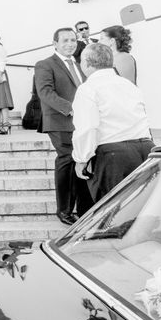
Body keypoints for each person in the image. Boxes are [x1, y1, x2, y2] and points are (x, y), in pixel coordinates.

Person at [72, 43, 153, 202]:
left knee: (114, 212)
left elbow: (87, 127)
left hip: (115, 156)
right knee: (143, 207)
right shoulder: (129, 85)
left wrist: (81, 159)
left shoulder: (88, 88)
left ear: (87, 63)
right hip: (146, 149)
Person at [35, 27, 93, 226]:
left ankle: (83, 208)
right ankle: (64, 210)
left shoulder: (79, 64)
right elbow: (45, 92)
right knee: (67, 160)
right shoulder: (45, 64)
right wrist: (72, 109)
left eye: (73, 40)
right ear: (55, 43)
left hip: (81, 122)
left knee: (82, 159)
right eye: (65, 40)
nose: (70, 44)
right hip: (60, 120)